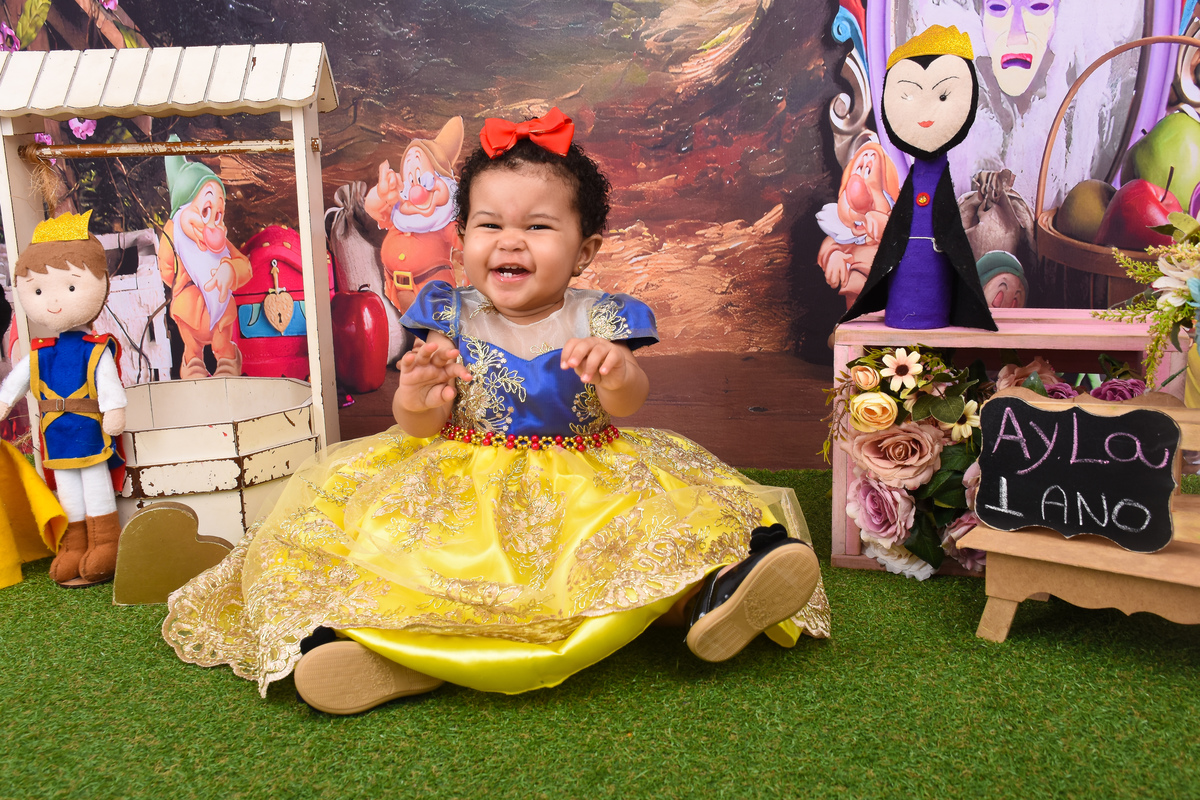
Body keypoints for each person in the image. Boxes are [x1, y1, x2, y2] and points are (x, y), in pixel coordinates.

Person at [163, 109, 830, 715]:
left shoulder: (600, 316)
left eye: (537, 226)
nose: (511, 242)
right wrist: (416, 395)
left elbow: (628, 402)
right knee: (405, 552)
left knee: (659, 528)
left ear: (585, 249)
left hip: (585, 477)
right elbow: (419, 423)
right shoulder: (448, 313)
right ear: (461, 239)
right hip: (463, 480)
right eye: (490, 225)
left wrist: (618, 372)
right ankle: (374, 645)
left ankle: (715, 595)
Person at [0, 211, 126, 587]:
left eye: (70, 288)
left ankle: (106, 544)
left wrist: (113, 410)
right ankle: (73, 547)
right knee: (68, 493)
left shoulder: (95, 349)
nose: (53, 302)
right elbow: (14, 386)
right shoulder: (39, 353)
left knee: (96, 489)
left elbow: (109, 386)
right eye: (39, 292)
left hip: (89, 434)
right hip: (56, 439)